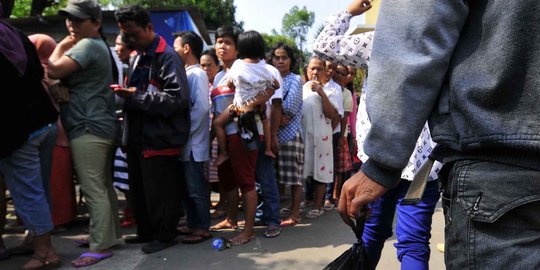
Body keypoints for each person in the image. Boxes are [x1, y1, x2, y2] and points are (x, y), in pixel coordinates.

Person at [338, 0, 540, 269]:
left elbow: (416, 36)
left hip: (488, 159)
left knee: (399, 240)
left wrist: (381, 161)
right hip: (438, 161)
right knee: (402, 240)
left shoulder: (372, 43)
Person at [314, 1, 445, 268]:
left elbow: (324, 44)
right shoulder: (446, 42)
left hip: (379, 159)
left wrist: (350, 12)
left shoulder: (379, 42)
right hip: (424, 164)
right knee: (413, 244)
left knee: (372, 236)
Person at [47, 0, 121, 267]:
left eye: (78, 20)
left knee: (93, 187)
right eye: (69, 19)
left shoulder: (88, 45)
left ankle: (100, 244)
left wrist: (60, 45)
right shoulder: (97, 45)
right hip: (99, 124)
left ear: (96, 23)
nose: (71, 24)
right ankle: (109, 235)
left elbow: (53, 69)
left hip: (88, 125)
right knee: (102, 184)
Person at [114, 4, 190, 254]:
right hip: (138, 135)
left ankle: (165, 235)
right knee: (140, 189)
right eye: (125, 34)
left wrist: (135, 96)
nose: (129, 39)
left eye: (133, 33)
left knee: (160, 191)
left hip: (160, 137)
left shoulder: (167, 57)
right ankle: (146, 232)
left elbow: (176, 99)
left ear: (149, 28)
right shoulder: (138, 56)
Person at [0, 18, 61, 269]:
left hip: (17, 131)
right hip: (44, 122)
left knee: (28, 194)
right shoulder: (15, 33)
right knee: (39, 188)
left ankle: (45, 252)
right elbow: (37, 73)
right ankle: (34, 240)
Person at [208, 26, 261, 245]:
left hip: (241, 135)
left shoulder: (245, 71)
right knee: (228, 182)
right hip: (224, 138)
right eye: (219, 41)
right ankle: (231, 219)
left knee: (246, 182)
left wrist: (231, 112)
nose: (222, 46)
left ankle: (248, 231)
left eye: (228, 42)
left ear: (238, 48)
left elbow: (259, 100)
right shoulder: (220, 74)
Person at [213, 31, 279, 166]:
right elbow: (276, 85)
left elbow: (229, 83)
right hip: (257, 109)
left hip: (239, 108)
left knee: (218, 123)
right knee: (265, 121)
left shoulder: (237, 65)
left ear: (240, 48)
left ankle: (224, 152)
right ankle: (267, 149)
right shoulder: (265, 69)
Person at [173, 30, 212, 244]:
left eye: (176, 46)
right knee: (188, 189)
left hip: (193, 143)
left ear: (186, 48)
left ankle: (202, 227)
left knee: (196, 188)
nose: (173, 51)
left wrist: (185, 132)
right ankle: (192, 223)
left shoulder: (196, 74)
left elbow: (202, 109)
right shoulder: (188, 73)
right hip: (187, 143)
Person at [269, 43, 305, 227]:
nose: (280, 61)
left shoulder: (296, 80)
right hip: (271, 134)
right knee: (273, 177)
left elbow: (290, 107)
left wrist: (274, 112)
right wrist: (275, 115)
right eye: (277, 57)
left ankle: (295, 213)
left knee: (294, 178)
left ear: (290, 61)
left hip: (290, 135)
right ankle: (275, 212)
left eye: (284, 57)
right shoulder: (268, 78)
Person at [302, 56, 342, 219]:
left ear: (325, 72)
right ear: (307, 70)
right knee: (305, 169)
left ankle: (319, 206)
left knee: (321, 169)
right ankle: (306, 201)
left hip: (323, 137)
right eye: (312, 68)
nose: (315, 72)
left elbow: (334, 115)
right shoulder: (303, 87)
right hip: (305, 135)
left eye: (319, 69)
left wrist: (321, 92)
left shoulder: (333, 90)